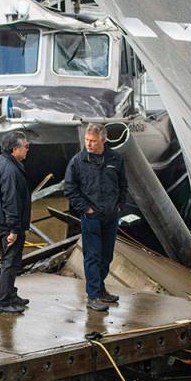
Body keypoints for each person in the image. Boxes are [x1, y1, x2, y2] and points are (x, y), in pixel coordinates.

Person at [63, 123, 128, 312]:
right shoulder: (78, 161)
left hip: (110, 216)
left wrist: (119, 205)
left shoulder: (115, 159)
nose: (89, 144)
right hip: (91, 217)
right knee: (92, 256)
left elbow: (123, 184)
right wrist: (86, 208)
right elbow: (70, 188)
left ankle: (100, 289)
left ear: (103, 140)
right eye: (86, 140)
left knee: (106, 255)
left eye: (92, 141)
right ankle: (93, 296)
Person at [0, 131, 32, 314]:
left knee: (11, 260)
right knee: (10, 262)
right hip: (8, 224)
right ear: (15, 149)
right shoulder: (11, 170)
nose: (28, 149)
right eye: (26, 146)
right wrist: (14, 229)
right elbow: (11, 201)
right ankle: (2, 302)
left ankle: (11, 294)